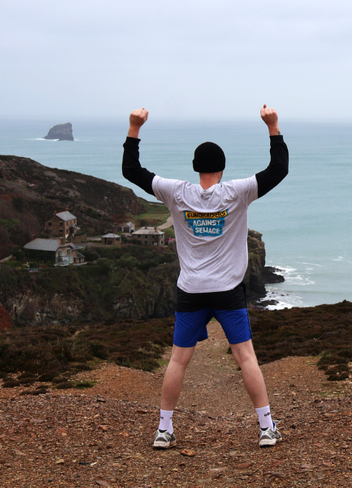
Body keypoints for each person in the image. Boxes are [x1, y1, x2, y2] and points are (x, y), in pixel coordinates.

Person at [122, 105, 289, 449]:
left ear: (196, 168)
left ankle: (164, 430)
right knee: (245, 357)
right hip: (228, 291)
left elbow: (131, 171)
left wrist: (134, 128)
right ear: (222, 168)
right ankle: (266, 428)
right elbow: (279, 169)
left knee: (178, 360)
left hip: (191, 290)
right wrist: (273, 126)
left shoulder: (176, 192)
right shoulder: (237, 192)